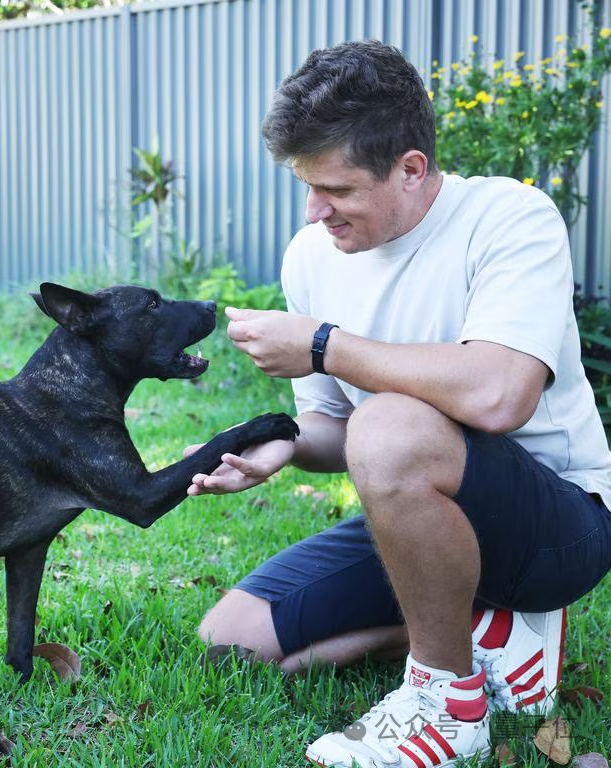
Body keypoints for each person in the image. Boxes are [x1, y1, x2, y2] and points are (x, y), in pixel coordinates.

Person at [187, 39, 611, 767]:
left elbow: (500, 394)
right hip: (425, 518)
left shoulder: (510, 218)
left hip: (557, 528)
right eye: (306, 185)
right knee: (232, 640)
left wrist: (324, 345)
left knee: (387, 421)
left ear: (411, 168)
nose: (316, 210)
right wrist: (283, 443)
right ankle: (485, 632)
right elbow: (334, 429)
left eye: (337, 189)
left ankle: (448, 705)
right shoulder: (310, 256)